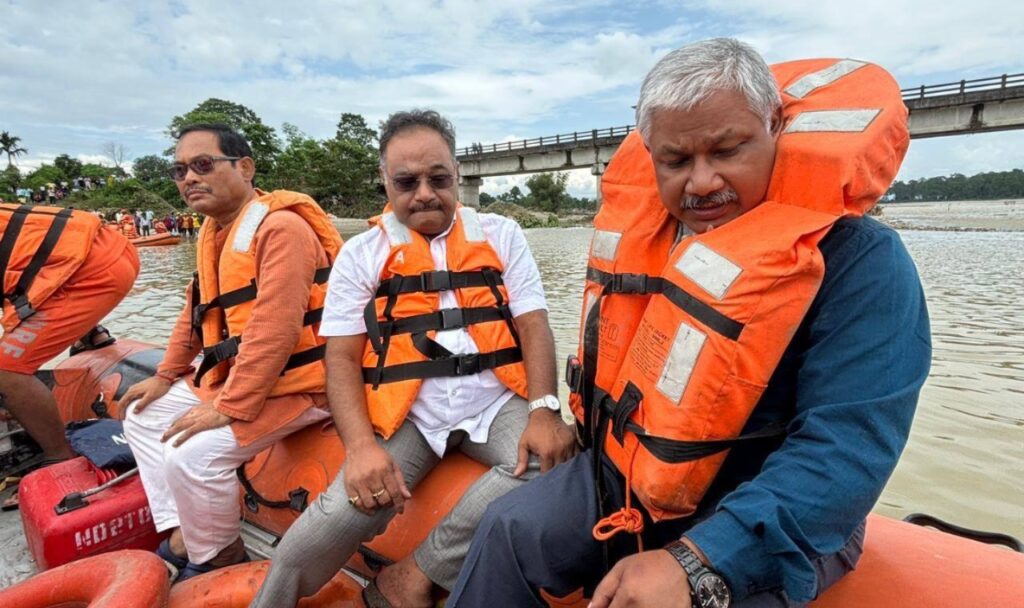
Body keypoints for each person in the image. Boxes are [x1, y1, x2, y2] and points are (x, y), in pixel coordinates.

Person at [448, 39, 932, 608]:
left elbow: (845, 451)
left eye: (728, 151)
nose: (701, 183)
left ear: (775, 128)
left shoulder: (862, 261)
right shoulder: (644, 241)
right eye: (676, 161)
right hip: (626, 479)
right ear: (650, 154)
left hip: (768, 510)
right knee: (509, 527)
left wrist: (698, 559)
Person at [251, 109, 576, 608]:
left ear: (457, 176)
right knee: (335, 517)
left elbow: (534, 324)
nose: (424, 192)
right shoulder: (360, 255)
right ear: (385, 181)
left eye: (438, 178)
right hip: (410, 413)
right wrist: (359, 447)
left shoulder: (502, 234)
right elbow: (340, 359)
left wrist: (544, 407)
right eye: (407, 181)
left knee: (556, 461)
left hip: (494, 400)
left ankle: (416, 572)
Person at [117, 123, 343, 581]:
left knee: (192, 455)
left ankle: (220, 555)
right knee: (141, 415)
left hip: (302, 387)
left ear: (245, 167)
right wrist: (166, 374)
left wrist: (230, 405)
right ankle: (186, 531)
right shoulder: (214, 233)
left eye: (203, 165)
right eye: (179, 170)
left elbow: (275, 330)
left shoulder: (281, 228)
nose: (188, 179)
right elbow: (195, 312)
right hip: (241, 380)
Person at [0, 203, 139, 464]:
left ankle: (59, 458)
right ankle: (90, 332)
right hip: (112, 249)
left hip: (89, 274)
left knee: (7, 370)